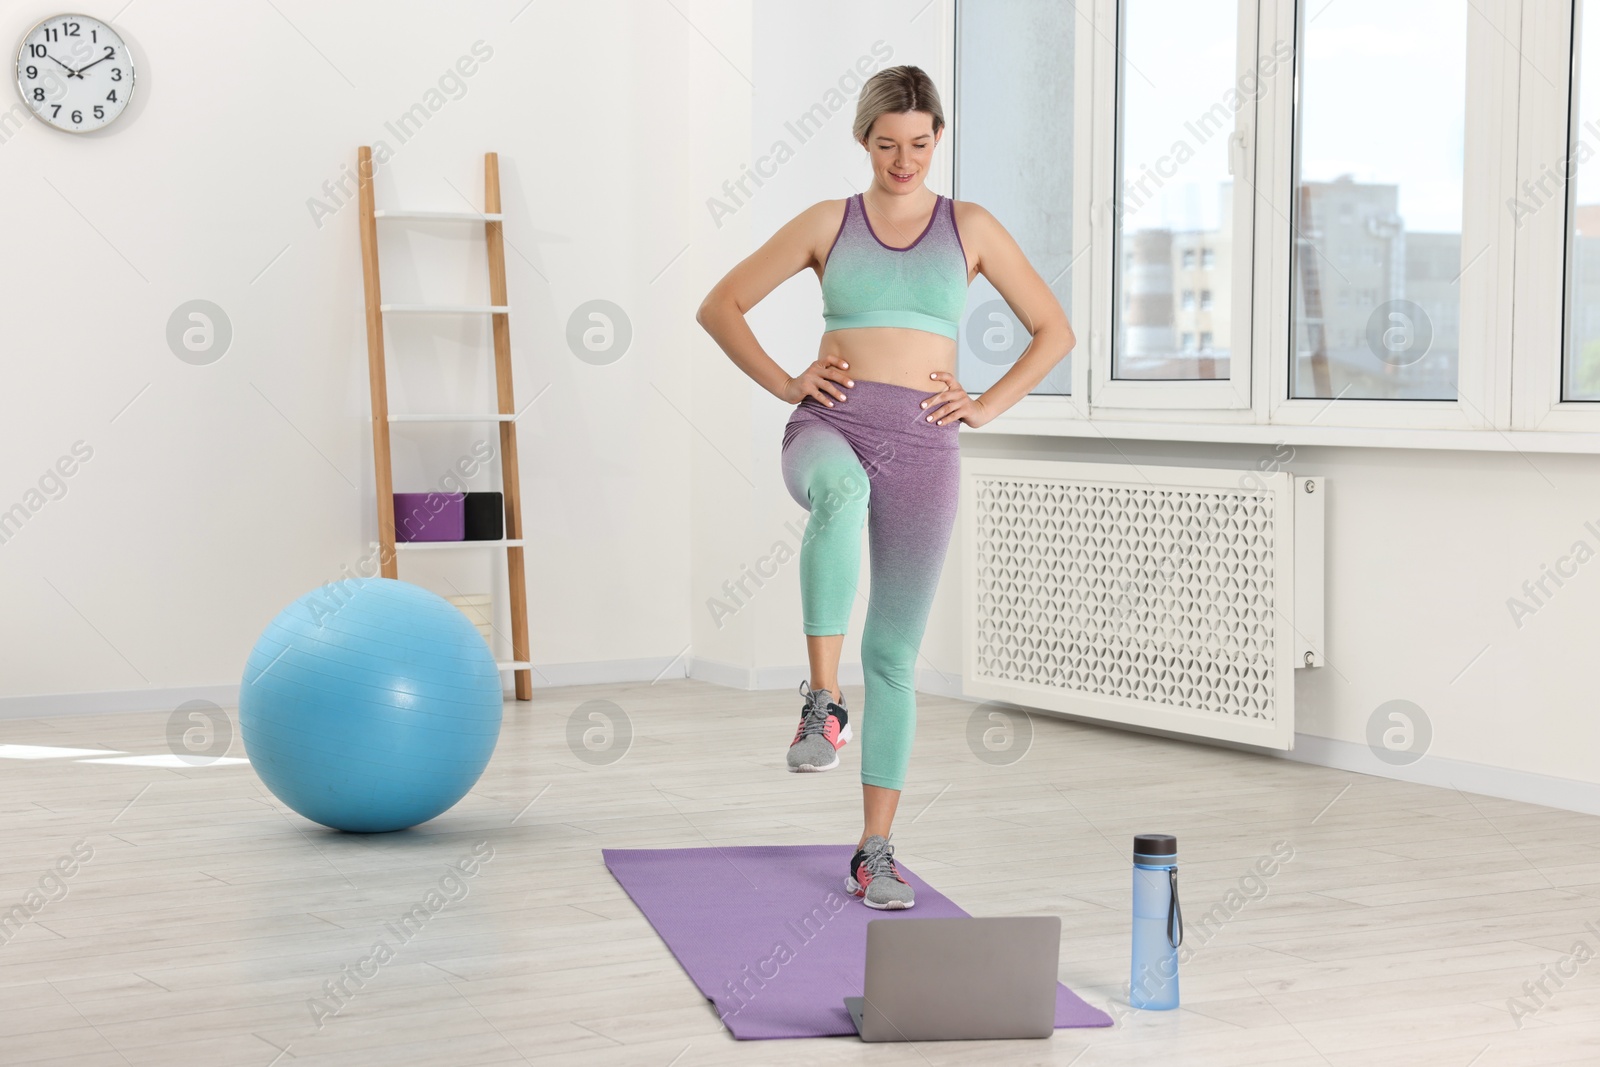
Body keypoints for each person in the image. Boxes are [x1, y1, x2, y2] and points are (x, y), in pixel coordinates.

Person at [695, 65, 1073, 909]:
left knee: (895, 657)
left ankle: (875, 851)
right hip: (832, 423)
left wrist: (984, 405)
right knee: (840, 495)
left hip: (927, 444)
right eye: (887, 145)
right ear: (863, 141)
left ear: (939, 137)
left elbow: (1056, 329)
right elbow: (721, 305)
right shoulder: (829, 222)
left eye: (920, 144)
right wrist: (785, 381)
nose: (904, 162)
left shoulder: (969, 227)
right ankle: (822, 701)